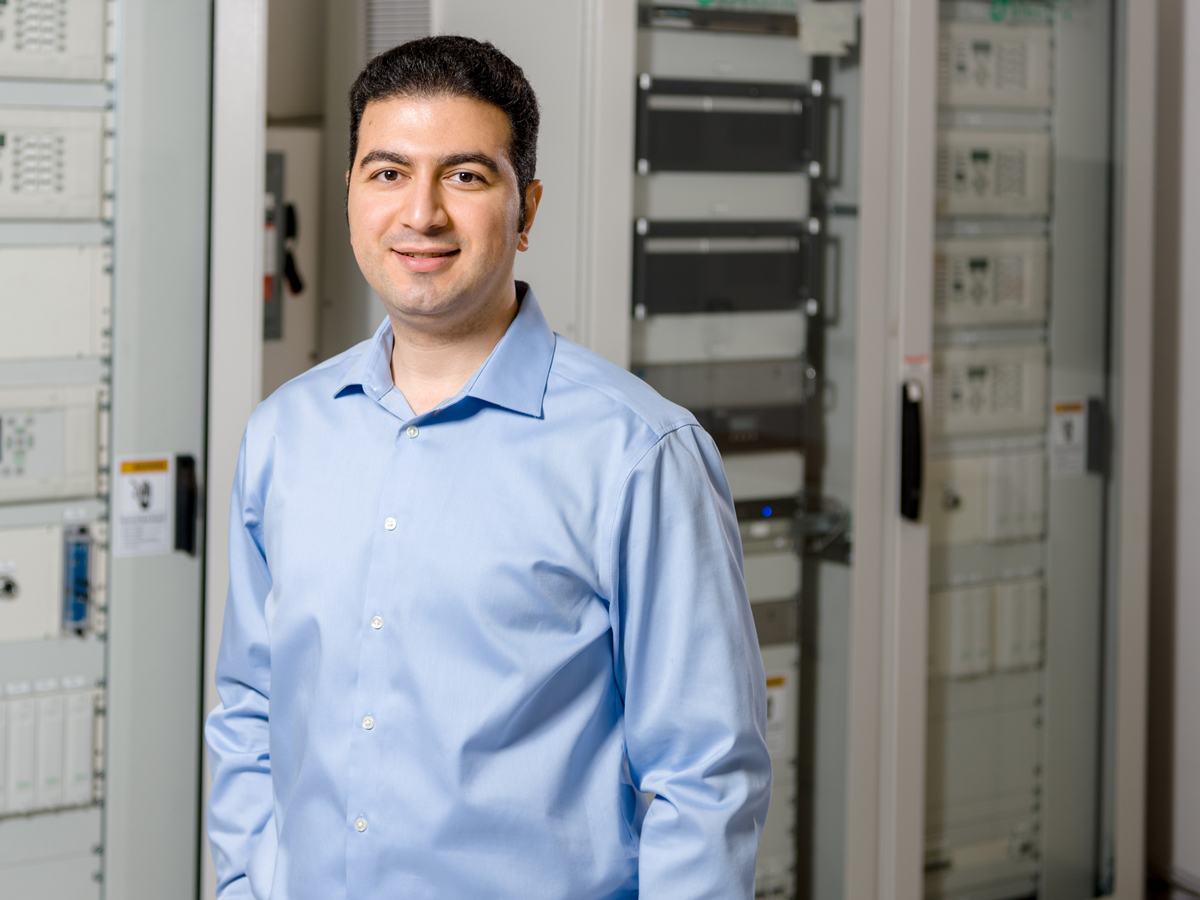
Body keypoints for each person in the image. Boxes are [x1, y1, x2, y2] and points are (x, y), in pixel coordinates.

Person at [205, 35, 770, 900]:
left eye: (465, 176)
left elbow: (703, 777)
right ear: (351, 193)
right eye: (387, 173)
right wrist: (248, 883)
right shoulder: (286, 433)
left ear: (527, 209)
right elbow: (249, 708)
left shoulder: (637, 455)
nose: (421, 214)